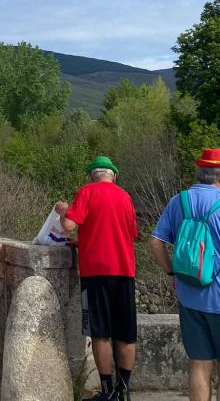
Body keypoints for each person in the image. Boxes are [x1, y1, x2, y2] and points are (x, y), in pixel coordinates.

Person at [149, 148, 220, 401]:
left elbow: (155, 242)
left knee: (199, 364)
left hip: (190, 298)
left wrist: (171, 273)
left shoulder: (180, 201)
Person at [55, 155, 138, 401]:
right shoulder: (125, 197)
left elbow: (68, 224)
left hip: (96, 273)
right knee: (126, 334)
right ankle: (124, 391)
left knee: (100, 333)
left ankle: (107, 391)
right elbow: (126, 234)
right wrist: (84, 241)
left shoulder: (87, 192)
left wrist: (62, 210)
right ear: (113, 175)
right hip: (124, 272)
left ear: (92, 175)